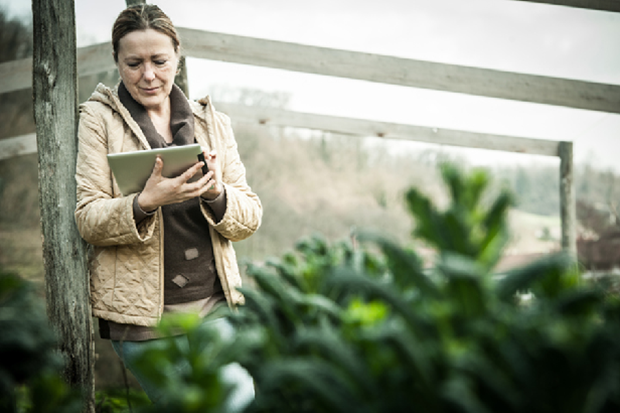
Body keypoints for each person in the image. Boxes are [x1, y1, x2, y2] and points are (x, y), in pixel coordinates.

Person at [74, 4, 262, 410]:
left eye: (159, 61)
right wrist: (145, 203)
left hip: (215, 308)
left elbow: (249, 216)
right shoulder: (98, 120)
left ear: (177, 56)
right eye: (134, 63)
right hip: (143, 321)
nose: (148, 75)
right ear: (117, 62)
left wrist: (215, 193)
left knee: (240, 400)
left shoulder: (213, 122)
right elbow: (88, 218)